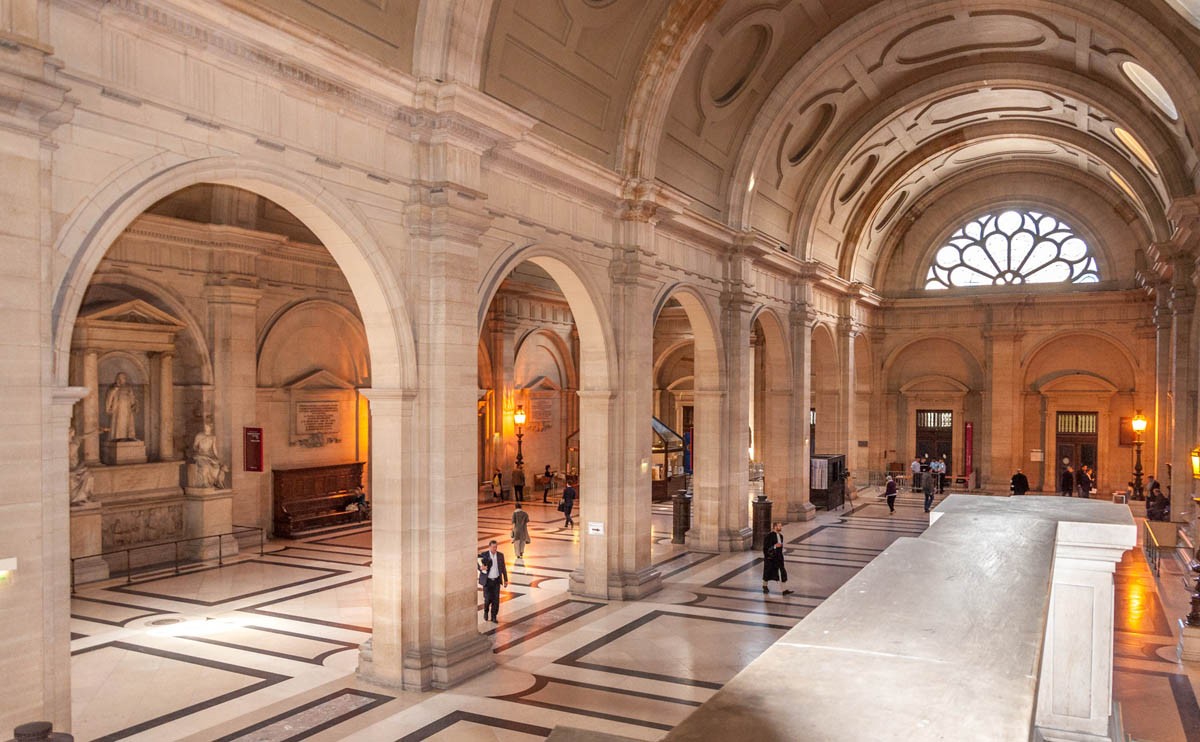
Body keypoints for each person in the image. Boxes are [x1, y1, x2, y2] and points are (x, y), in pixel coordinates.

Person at [477, 540, 508, 623]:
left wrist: (505, 579)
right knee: (487, 599)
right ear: (489, 547)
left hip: (496, 581)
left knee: (496, 600)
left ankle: (494, 616)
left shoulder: (500, 555)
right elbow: (478, 564)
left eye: (496, 547)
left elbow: (503, 568)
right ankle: (486, 611)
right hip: (487, 581)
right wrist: (481, 568)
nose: (495, 548)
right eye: (494, 547)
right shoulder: (484, 555)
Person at [105, 372, 139, 441]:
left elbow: (132, 397)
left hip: (127, 408)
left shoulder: (128, 387)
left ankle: (129, 436)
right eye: (119, 378)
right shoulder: (112, 386)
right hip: (117, 408)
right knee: (118, 423)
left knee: (128, 423)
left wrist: (134, 404)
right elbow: (109, 397)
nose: (121, 380)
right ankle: (117, 437)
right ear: (117, 378)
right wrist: (115, 388)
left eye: (123, 378)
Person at [762, 522, 793, 595]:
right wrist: (775, 546)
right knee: (768, 572)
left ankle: (784, 590)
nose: (780, 527)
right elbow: (765, 548)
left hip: (779, 558)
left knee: (782, 572)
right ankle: (765, 586)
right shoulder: (769, 536)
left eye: (781, 526)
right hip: (771, 558)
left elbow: (780, 547)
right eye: (779, 526)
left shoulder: (781, 536)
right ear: (775, 527)